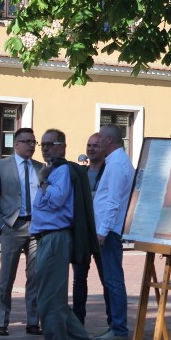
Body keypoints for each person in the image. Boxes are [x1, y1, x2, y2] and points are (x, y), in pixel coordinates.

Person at [27, 128, 99, 340]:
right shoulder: (53, 171)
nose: (45, 148)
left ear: (62, 146)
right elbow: (44, 203)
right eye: (42, 145)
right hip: (47, 238)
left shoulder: (62, 172)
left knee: (48, 300)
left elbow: (56, 200)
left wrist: (43, 181)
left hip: (56, 238)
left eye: (50, 144)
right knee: (52, 299)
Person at [0, 127, 43, 336]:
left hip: (36, 228)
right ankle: (2, 321)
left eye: (34, 142)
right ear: (16, 143)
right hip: (12, 226)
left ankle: (33, 321)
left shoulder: (40, 167)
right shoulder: (2, 166)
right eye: (27, 141)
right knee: (7, 277)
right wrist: (1, 223)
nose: (31, 145)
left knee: (35, 276)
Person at [93, 124, 134, 340]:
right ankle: (115, 326)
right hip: (106, 230)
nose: (97, 140)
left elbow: (113, 201)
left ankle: (118, 328)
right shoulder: (115, 162)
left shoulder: (118, 164)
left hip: (109, 231)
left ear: (109, 140)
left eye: (100, 136)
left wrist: (103, 230)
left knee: (113, 279)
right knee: (110, 279)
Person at [71, 133, 111, 326]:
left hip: (103, 233)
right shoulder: (81, 173)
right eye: (89, 145)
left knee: (108, 279)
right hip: (82, 234)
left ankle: (113, 320)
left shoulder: (109, 170)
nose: (91, 149)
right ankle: (78, 321)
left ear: (103, 148)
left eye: (95, 145)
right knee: (79, 280)